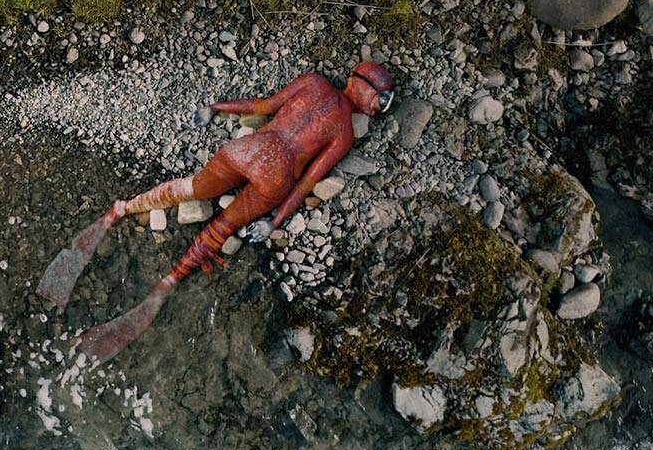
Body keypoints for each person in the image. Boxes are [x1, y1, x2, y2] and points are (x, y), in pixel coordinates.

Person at [37, 61, 395, 362]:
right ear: (364, 87)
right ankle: (170, 280)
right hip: (275, 178)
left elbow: (264, 106)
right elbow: (305, 185)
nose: (380, 107)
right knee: (220, 228)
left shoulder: (314, 83)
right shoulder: (343, 133)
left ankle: (122, 209)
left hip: (248, 149)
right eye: (381, 99)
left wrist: (216, 107)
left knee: (191, 188)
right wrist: (273, 222)